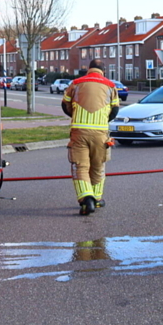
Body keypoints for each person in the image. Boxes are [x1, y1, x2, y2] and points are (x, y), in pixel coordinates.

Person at [61, 59, 120, 215]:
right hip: (100, 134)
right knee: (98, 165)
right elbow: (115, 110)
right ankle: (97, 199)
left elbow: (65, 104)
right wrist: (102, 120)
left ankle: (86, 198)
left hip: (79, 132)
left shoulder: (75, 83)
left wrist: (74, 115)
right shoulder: (111, 86)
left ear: (89, 69)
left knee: (80, 166)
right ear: (103, 71)